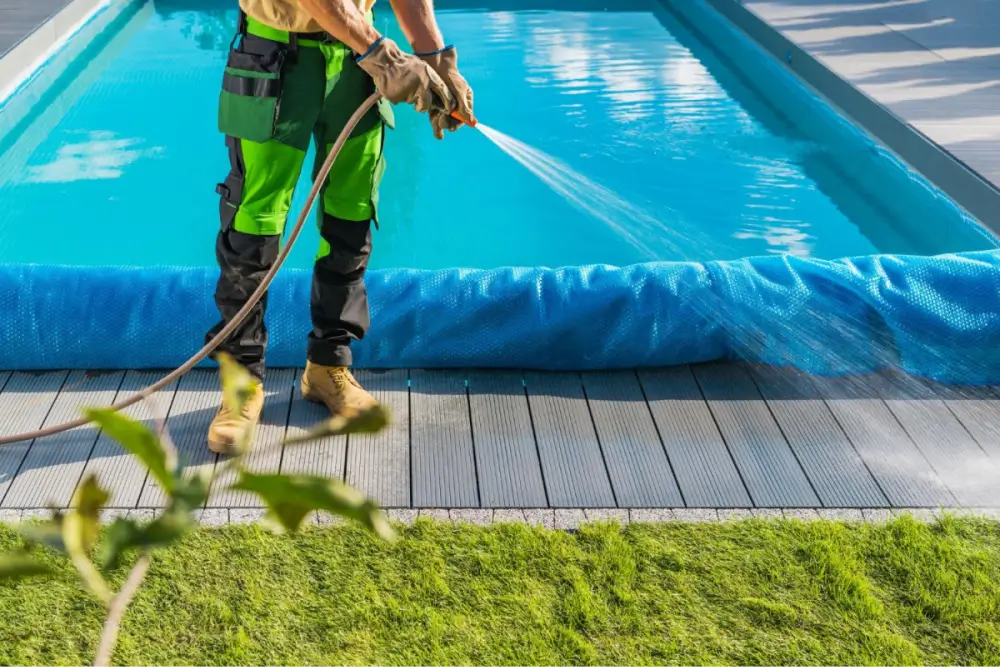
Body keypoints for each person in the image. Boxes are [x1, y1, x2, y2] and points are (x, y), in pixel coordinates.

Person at [205, 0, 474, 453]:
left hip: (357, 62)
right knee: (254, 219)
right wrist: (385, 57)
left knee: (351, 212)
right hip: (276, 58)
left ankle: (328, 366)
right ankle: (240, 383)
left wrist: (434, 60)